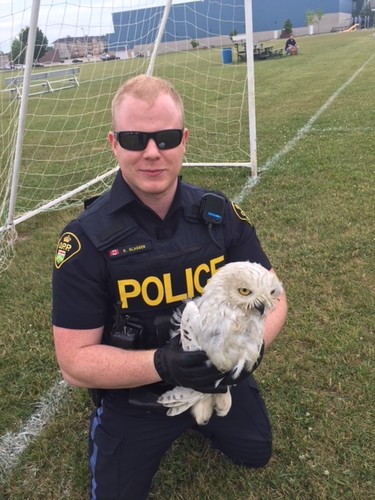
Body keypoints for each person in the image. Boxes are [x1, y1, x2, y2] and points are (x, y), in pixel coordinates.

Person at [52, 74, 288, 499]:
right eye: (134, 138)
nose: (151, 153)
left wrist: (248, 354)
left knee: (256, 450)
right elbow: (73, 362)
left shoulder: (219, 217)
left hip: (219, 379)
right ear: (113, 143)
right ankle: (109, 424)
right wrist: (163, 364)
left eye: (164, 137)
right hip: (137, 394)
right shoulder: (85, 240)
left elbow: (275, 296)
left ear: (183, 140)